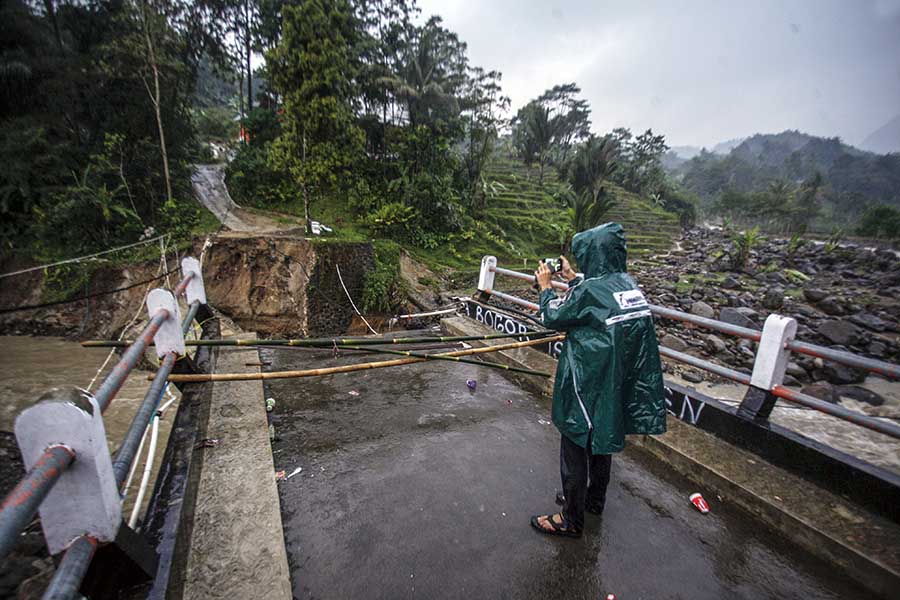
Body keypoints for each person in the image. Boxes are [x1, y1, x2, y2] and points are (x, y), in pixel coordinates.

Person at [530, 222, 666, 538]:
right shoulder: (627, 285)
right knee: (601, 440)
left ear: (594, 254)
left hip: (588, 382)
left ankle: (570, 519)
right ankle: (593, 501)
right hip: (615, 383)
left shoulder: (589, 290)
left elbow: (553, 317)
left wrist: (546, 288)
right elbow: (599, 299)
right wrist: (573, 278)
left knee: (576, 443)